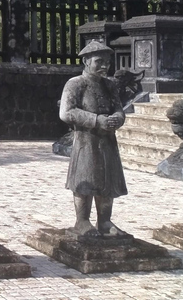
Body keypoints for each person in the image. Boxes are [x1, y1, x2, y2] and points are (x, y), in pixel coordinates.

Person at [60, 41, 127, 236]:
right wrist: (96, 120)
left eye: (107, 62)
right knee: (85, 179)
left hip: (107, 141)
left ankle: (105, 221)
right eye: (99, 61)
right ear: (86, 61)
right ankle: (82, 221)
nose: (105, 66)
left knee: (108, 180)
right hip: (86, 140)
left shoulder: (110, 85)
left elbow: (118, 109)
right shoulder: (75, 84)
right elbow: (66, 112)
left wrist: (117, 119)